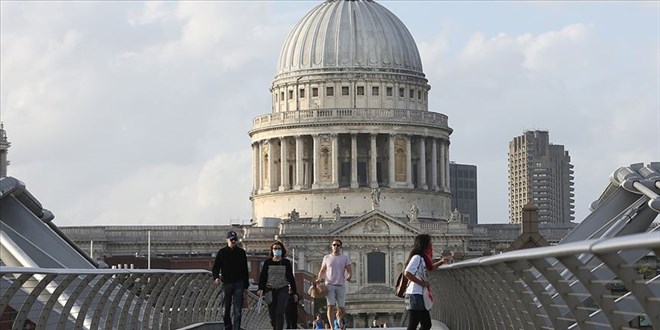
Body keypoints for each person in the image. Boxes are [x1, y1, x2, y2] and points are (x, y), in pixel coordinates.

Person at [403, 234, 450, 330]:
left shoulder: (421, 258)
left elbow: (430, 268)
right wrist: (422, 283)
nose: (431, 245)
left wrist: (441, 262)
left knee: (425, 325)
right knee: (415, 325)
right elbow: (407, 273)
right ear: (425, 245)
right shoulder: (417, 258)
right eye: (430, 243)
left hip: (418, 294)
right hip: (415, 294)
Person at [212, 230, 249, 330]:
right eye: (231, 239)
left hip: (239, 283)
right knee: (225, 309)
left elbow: (245, 270)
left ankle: (236, 328)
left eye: (235, 239)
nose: (233, 241)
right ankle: (228, 327)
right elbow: (216, 267)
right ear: (227, 240)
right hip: (226, 283)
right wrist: (216, 277)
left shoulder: (241, 253)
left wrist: (246, 286)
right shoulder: (222, 252)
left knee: (238, 310)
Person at [258, 241, 298, 330]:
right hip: (270, 290)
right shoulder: (267, 262)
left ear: (282, 250)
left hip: (283, 289)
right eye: (275, 249)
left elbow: (290, 277)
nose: (277, 250)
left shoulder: (286, 262)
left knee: (280, 311)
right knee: (272, 314)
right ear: (272, 250)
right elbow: (263, 276)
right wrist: (260, 288)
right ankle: (275, 327)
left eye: (279, 249)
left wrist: (295, 292)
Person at [316, 238, 352, 330]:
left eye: (337, 245)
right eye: (334, 245)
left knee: (342, 308)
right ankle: (332, 327)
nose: (336, 246)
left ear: (340, 247)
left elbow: (349, 270)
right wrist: (319, 279)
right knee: (330, 305)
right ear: (331, 246)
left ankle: (339, 319)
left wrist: (349, 276)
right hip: (329, 285)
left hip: (341, 285)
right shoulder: (326, 258)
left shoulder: (345, 258)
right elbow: (322, 270)